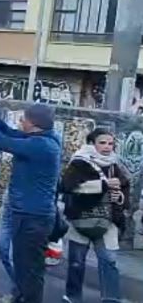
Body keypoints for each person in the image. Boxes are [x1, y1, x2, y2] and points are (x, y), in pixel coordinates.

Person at [0, 93, 61, 303]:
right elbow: (9, 132)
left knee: (29, 268)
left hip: (32, 217)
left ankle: (25, 297)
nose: (20, 122)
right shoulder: (39, 138)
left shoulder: (42, 146)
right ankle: (19, 295)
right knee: (11, 255)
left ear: (34, 124)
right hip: (18, 209)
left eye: (23, 119)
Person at [61, 128, 129, 303]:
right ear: (92, 144)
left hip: (108, 220)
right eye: (102, 143)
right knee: (77, 261)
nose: (107, 147)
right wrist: (103, 185)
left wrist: (118, 197)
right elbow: (68, 186)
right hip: (81, 218)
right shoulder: (79, 163)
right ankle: (72, 297)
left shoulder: (114, 165)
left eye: (110, 143)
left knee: (109, 261)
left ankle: (111, 298)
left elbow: (124, 189)